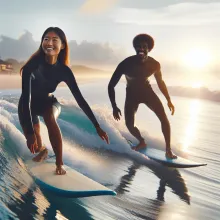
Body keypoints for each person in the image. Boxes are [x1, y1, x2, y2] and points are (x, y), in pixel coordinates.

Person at [18, 27, 109, 175]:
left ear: (63, 45)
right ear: (42, 43)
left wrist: (97, 126)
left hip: (49, 103)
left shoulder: (64, 70)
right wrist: (29, 132)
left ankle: (59, 163)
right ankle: (43, 150)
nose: (49, 43)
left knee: (49, 117)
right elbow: (26, 100)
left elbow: (80, 99)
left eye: (55, 40)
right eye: (46, 39)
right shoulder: (31, 67)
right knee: (34, 144)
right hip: (27, 106)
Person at [108, 33, 177, 159]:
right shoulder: (125, 64)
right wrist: (114, 106)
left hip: (147, 93)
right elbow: (111, 85)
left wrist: (168, 100)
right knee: (129, 125)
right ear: (135, 48)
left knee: (164, 118)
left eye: (144, 46)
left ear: (149, 49)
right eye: (138, 46)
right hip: (131, 95)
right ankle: (141, 141)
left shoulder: (155, 64)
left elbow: (160, 82)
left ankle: (168, 150)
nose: (141, 48)